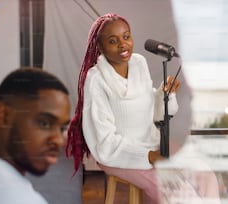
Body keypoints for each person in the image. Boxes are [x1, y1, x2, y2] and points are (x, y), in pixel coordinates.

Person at [66, 13, 180, 204]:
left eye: (126, 37)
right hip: (118, 155)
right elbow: (105, 141)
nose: (123, 44)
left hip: (150, 144)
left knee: (202, 174)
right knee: (169, 187)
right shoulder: (96, 79)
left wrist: (163, 95)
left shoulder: (139, 63)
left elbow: (148, 107)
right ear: (100, 47)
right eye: (113, 40)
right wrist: (149, 156)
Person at [0, 67, 71, 204]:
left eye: (62, 128)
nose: (59, 140)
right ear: (5, 115)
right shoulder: (15, 197)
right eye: (44, 123)